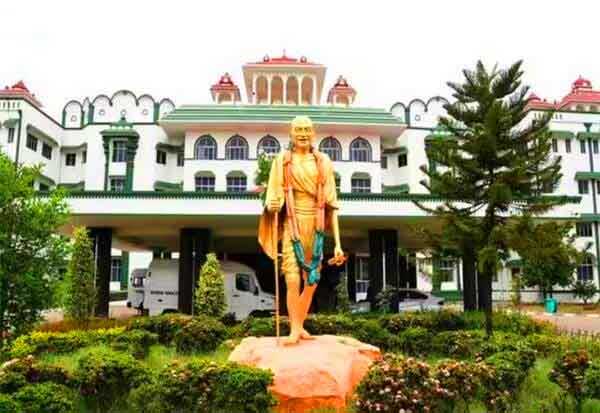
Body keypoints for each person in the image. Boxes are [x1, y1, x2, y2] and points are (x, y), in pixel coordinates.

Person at [258, 116, 345, 345]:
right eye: (298, 130)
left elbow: (332, 205)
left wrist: (338, 244)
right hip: (292, 224)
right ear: (291, 134)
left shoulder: (323, 161)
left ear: (313, 133)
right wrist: (271, 205)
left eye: (307, 130)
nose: (303, 134)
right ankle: (294, 330)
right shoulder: (282, 161)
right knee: (292, 279)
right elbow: (274, 196)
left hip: (316, 227)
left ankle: (298, 324)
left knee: (312, 281)